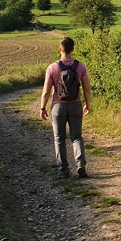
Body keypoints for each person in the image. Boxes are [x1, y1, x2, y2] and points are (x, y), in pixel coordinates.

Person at [40, 36, 91, 178]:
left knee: (59, 138)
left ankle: (63, 169)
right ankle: (80, 164)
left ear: (60, 49)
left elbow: (46, 91)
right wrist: (87, 104)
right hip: (75, 105)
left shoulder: (52, 68)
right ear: (73, 49)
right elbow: (86, 89)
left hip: (58, 106)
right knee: (76, 137)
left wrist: (42, 108)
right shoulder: (80, 66)